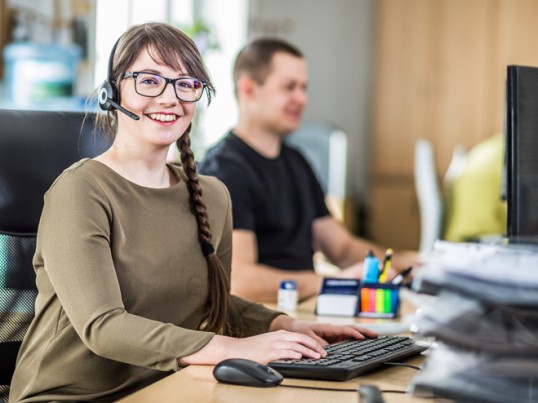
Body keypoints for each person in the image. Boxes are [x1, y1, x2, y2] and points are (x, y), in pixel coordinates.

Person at [8, 23, 377, 403]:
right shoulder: (80, 190)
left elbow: (212, 302)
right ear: (113, 91)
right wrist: (234, 348)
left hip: (165, 388)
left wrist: (288, 325)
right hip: (69, 397)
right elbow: (104, 327)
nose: (170, 98)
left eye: (186, 84)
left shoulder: (212, 195)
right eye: (149, 81)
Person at [199, 37, 420, 303]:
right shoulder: (224, 170)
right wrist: (337, 282)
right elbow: (240, 281)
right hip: (262, 324)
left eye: (304, 87)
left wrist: (408, 264)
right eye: (289, 87)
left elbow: (342, 247)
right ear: (249, 90)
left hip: (303, 311)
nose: (302, 99)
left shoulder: (296, 161)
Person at [443, 133, 507, 242]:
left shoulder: (491, 146)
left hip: (456, 238)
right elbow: (516, 215)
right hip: (478, 240)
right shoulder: (515, 155)